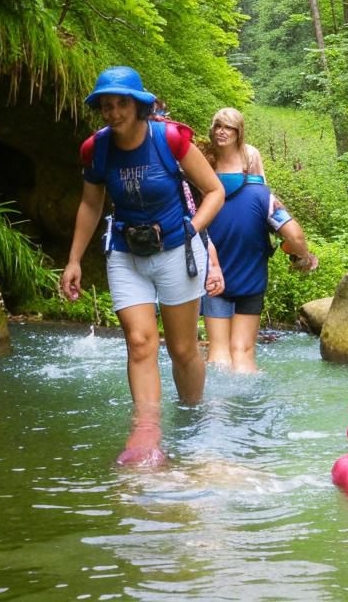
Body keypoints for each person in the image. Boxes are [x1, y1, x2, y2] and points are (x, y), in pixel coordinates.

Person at [59, 66, 225, 465]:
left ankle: (192, 414)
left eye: (121, 104)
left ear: (138, 106)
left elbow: (214, 191)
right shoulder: (96, 149)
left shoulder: (169, 139)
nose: (113, 113)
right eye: (106, 105)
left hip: (176, 252)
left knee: (184, 349)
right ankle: (147, 431)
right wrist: (74, 260)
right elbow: (91, 203)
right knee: (139, 342)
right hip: (125, 252)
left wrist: (192, 230)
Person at [201, 166, 317, 373]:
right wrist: (302, 257)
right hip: (251, 284)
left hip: (213, 281)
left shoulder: (202, 191)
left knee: (218, 352)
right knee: (242, 352)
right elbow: (295, 237)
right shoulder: (263, 196)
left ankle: (215, 404)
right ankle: (248, 403)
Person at [206, 107, 265, 185]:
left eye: (228, 127)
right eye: (218, 126)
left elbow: (260, 187)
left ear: (239, 132)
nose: (221, 132)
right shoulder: (206, 153)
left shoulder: (250, 154)